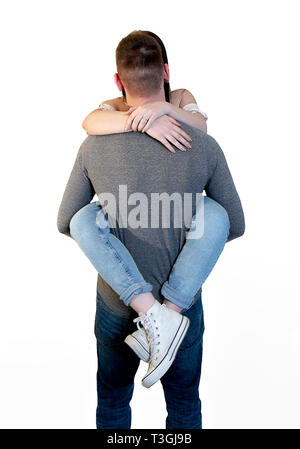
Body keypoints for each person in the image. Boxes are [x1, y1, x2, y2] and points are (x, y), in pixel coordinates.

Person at [57, 30, 245, 429]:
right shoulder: (202, 144)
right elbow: (233, 223)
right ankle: (167, 315)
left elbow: (66, 220)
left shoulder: (93, 144)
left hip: (116, 305)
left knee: (112, 402)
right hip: (184, 306)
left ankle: (156, 314)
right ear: (166, 73)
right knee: (183, 406)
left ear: (117, 81)